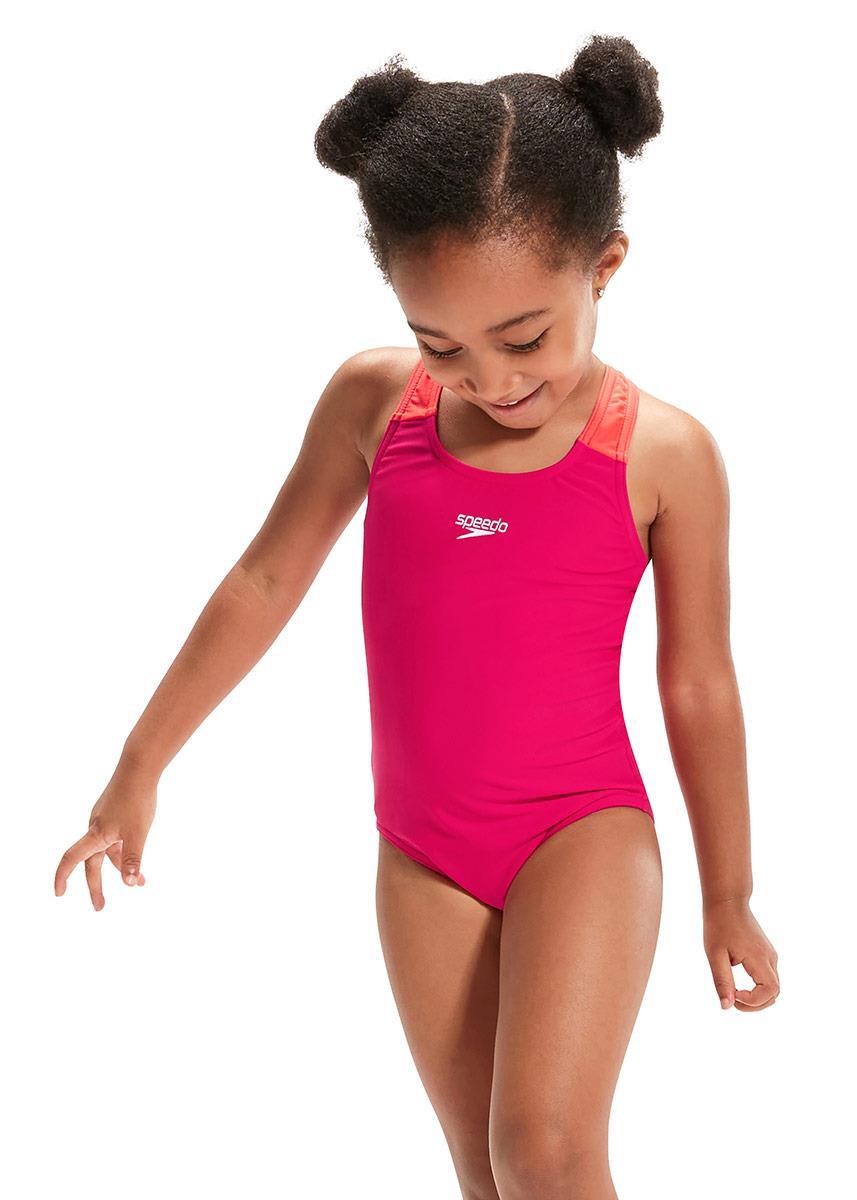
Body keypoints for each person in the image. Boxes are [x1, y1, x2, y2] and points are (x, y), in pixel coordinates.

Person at [54, 34, 780, 1200]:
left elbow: (695, 680)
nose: (489, 379)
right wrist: (138, 768)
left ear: (603, 265)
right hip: (422, 851)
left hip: (579, 829)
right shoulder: (373, 404)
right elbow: (263, 582)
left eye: (524, 337)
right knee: (484, 1176)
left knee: (542, 1153)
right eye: (441, 344)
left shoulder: (661, 453)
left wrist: (727, 890)